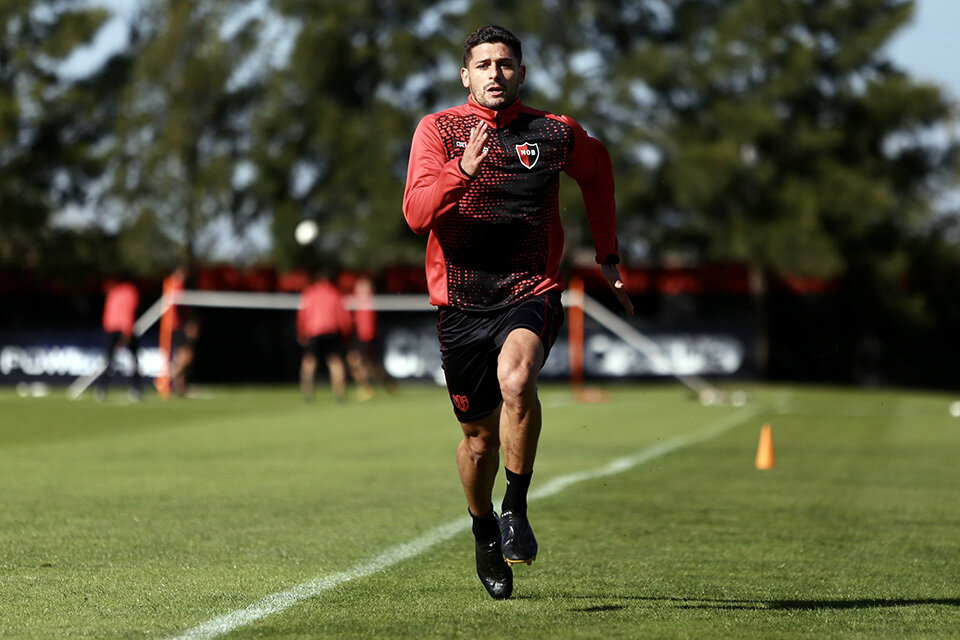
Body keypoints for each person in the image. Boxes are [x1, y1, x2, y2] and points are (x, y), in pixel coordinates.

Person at [402, 25, 633, 600]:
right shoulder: (440, 130)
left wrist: (608, 254)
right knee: (477, 443)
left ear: (521, 74)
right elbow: (414, 213)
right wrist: (464, 171)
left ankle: (516, 509)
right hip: (461, 304)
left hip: (531, 288)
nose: (495, 74)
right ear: (466, 75)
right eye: (483, 65)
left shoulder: (553, 133)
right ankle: (483, 529)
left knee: (518, 378)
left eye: (505, 64)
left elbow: (599, 173)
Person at [297, 268, 351, 402]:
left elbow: (303, 314)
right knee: (335, 362)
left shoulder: (309, 293)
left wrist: (302, 332)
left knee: (309, 362)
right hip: (331, 332)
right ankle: (339, 393)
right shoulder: (335, 293)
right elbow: (343, 317)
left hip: (314, 332)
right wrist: (345, 333)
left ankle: (307, 392)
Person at [97, 274, 142, 401]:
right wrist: (127, 331)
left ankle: (101, 389)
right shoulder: (130, 291)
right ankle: (136, 389)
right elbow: (129, 310)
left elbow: (108, 312)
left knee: (109, 360)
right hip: (123, 327)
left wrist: (108, 329)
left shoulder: (113, 291)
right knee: (133, 360)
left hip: (111, 328)